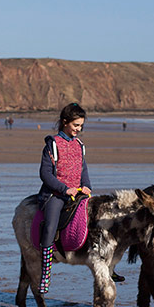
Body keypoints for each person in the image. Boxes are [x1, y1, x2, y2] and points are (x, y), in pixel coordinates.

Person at [37, 103, 92, 294]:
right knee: (50, 226)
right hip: (55, 194)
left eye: (81, 126)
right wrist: (64, 189)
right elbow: (45, 174)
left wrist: (86, 186)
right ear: (65, 122)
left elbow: (83, 169)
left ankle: (108, 267)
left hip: (79, 193)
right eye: (76, 125)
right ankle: (46, 272)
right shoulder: (52, 144)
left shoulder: (80, 145)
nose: (79, 129)